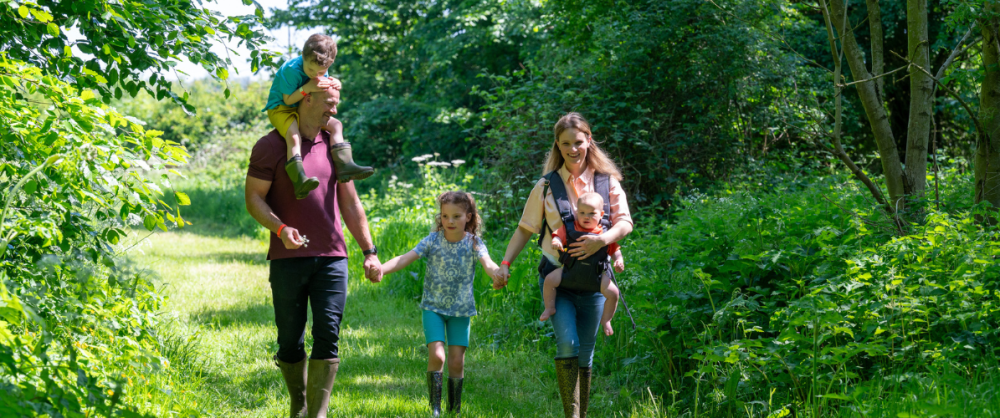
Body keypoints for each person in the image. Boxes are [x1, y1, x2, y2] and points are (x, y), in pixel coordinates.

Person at [246, 85, 383, 418]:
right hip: (287, 258)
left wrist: (369, 250)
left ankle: (318, 413)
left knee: (328, 334)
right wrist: (280, 229)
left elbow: (351, 203)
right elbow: (254, 199)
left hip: (332, 257)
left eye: (336, 105)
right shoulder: (270, 145)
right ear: (306, 98)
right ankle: (299, 402)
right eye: (328, 104)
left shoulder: (335, 146)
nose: (333, 112)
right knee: (289, 340)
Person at [496, 112, 633, 418]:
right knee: (567, 345)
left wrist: (604, 240)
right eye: (566, 143)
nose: (573, 149)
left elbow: (625, 223)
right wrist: (505, 263)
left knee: (586, 352)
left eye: (579, 142)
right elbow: (524, 228)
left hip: (595, 281)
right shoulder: (546, 186)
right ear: (557, 145)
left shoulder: (606, 182)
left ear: (589, 141)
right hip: (559, 281)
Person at [380, 191, 502, 417]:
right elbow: (405, 258)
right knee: (437, 356)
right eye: (445, 216)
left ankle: (454, 410)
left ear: (468, 217)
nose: (450, 221)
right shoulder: (432, 240)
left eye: (456, 216)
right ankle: (434, 409)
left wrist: (497, 274)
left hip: (461, 310)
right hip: (433, 308)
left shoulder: (474, 243)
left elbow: (488, 263)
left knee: (456, 361)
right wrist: (381, 269)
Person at [261, 33, 373, 199]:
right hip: (281, 108)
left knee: (336, 125)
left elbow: (322, 88)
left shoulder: (321, 69)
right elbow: (288, 99)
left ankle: (345, 166)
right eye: (310, 70)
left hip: (303, 108)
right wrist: (309, 87)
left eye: (321, 71)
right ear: (303, 57)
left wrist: (335, 83)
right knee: (294, 136)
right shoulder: (291, 70)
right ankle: (299, 179)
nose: (315, 74)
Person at [541, 192, 625, 337]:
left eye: (592, 213)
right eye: (582, 212)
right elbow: (557, 235)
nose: (586, 216)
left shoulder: (605, 233)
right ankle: (549, 307)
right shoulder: (570, 227)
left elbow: (615, 249)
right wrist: (557, 241)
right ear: (576, 212)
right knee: (549, 280)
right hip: (569, 271)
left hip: (596, 276)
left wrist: (619, 260)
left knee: (614, 293)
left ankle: (606, 320)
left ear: (601, 214)